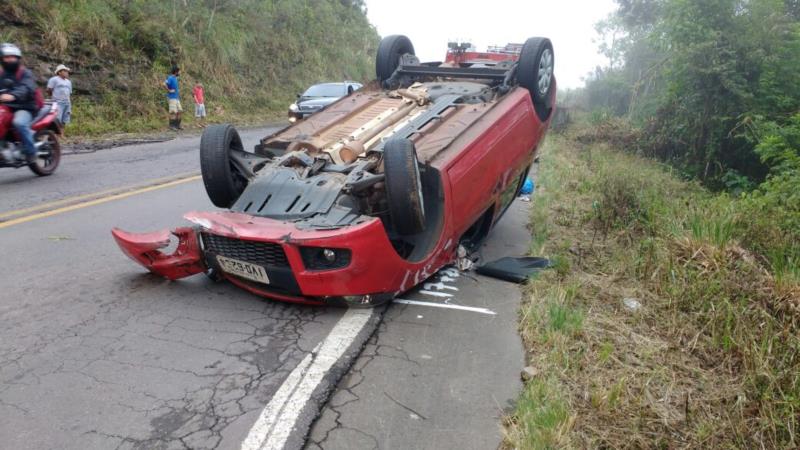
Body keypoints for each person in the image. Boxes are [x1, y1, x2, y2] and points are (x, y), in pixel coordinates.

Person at [0, 43, 38, 164]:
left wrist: (13, 95)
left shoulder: (25, 73)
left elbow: (27, 87)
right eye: (7, 57)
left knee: (19, 123)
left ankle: (31, 152)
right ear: (2, 59)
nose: (10, 59)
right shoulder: (1, 75)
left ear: (18, 58)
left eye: (13, 57)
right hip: (6, 107)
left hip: (24, 107)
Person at [47, 64, 72, 134]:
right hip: (58, 103)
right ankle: (55, 135)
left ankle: (62, 134)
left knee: (65, 120)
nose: (67, 72)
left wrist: (69, 104)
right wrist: (54, 98)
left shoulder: (68, 82)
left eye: (67, 71)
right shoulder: (54, 80)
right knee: (58, 120)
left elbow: (69, 93)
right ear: (59, 72)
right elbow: (49, 90)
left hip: (67, 102)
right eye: (65, 71)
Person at [163, 66, 182, 130]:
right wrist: (169, 90)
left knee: (179, 111)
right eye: (179, 71)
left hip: (177, 97)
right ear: (176, 72)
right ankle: (172, 126)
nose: (180, 72)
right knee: (173, 112)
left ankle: (177, 125)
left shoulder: (176, 78)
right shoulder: (170, 78)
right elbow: (164, 84)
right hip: (172, 98)